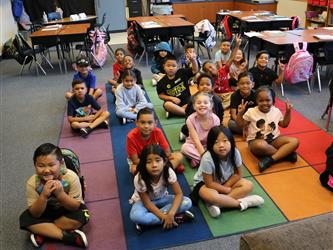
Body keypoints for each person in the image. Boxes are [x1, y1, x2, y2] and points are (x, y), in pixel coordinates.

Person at [19, 143, 90, 248]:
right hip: (46, 211)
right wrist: (43, 196)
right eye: (41, 166)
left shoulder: (70, 177)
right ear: (35, 165)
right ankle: (69, 237)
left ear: (60, 163)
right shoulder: (32, 182)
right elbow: (35, 214)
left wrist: (61, 194)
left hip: (66, 210)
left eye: (51, 165)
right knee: (24, 219)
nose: (46, 170)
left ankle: (45, 231)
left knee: (83, 215)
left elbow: (75, 206)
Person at [190, 126, 264, 217]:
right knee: (213, 196)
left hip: (225, 181)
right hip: (204, 184)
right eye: (216, 142)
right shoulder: (207, 158)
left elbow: (238, 174)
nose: (221, 145)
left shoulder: (235, 152)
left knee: (248, 185)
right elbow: (209, 183)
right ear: (211, 145)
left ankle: (218, 204)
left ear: (231, 142)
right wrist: (225, 189)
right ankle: (243, 203)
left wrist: (226, 186)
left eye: (225, 141)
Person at [129, 144, 194, 232]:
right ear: (143, 164)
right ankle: (176, 218)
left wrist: (171, 214)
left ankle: (151, 223)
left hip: (163, 198)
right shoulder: (139, 179)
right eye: (149, 162)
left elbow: (179, 194)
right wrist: (164, 217)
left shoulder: (168, 172)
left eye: (157, 160)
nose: (154, 165)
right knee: (135, 216)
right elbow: (148, 204)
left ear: (164, 161)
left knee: (187, 202)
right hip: (143, 202)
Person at [236, 86, 299, 172]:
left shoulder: (276, 111)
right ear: (256, 101)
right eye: (261, 101)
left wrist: (288, 112)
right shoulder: (251, 111)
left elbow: (284, 124)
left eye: (268, 100)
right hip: (256, 141)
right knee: (260, 145)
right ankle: (285, 154)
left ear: (272, 100)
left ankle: (271, 159)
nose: (265, 103)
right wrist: (240, 113)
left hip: (274, 140)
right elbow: (240, 125)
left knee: (295, 141)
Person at [126, 107, 184, 175]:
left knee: (179, 155)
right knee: (134, 169)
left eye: (150, 123)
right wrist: (152, 165)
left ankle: (156, 174)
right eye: (142, 122)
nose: (146, 126)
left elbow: (167, 153)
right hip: (141, 161)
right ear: (136, 123)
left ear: (155, 123)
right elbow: (135, 161)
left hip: (156, 158)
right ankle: (164, 172)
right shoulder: (131, 137)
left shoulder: (158, 132)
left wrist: (157, 162)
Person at [179, 73, 224, 141]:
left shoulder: (217, 100)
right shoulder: (193, 99)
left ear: (212, 87)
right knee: (185, 128)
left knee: (222, 130)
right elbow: (188, 114)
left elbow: (220, 113)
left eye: (208, 84)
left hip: (211, 124)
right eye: (202, 84)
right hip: (197, 125)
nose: (205, 86)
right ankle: (186, 134)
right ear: (197, 87)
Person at [181, 92, 220, 168]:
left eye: (205, 103)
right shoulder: (190, 119)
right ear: (194, 106)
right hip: (194, 145)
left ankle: (197, 160)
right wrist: (204, 156)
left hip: (209, 145)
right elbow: (196, 141)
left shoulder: (215, 119)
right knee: (184, 148)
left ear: (211, 106)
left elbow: (215, 139)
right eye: (199, 103)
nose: (202, 105)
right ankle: (207, 162)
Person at [202, 34, 241, 109]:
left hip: (228, 94)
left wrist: (237, 44)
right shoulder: (208, 79)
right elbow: (208, 92)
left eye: (210, 67)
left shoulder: (223, 70)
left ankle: (222, 106)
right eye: (207, 70)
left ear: (214, 65)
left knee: (236, 96)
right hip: (217, 96)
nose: (210, 69)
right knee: (211, 100)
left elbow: (232, 58)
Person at [157, 53, 198, 118]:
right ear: (164, 66)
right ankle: (187, 113)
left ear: (177, 66)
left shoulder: (182, 72)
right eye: (168, 66)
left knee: (196, 101)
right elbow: (160, 95)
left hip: (187, 101)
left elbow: (195, 70)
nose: (171, 68)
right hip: (173, 103)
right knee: (167, 104)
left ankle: (173, 113)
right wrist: (171, 98)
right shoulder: (161, 82)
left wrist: (193, 59)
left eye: (173, 66)